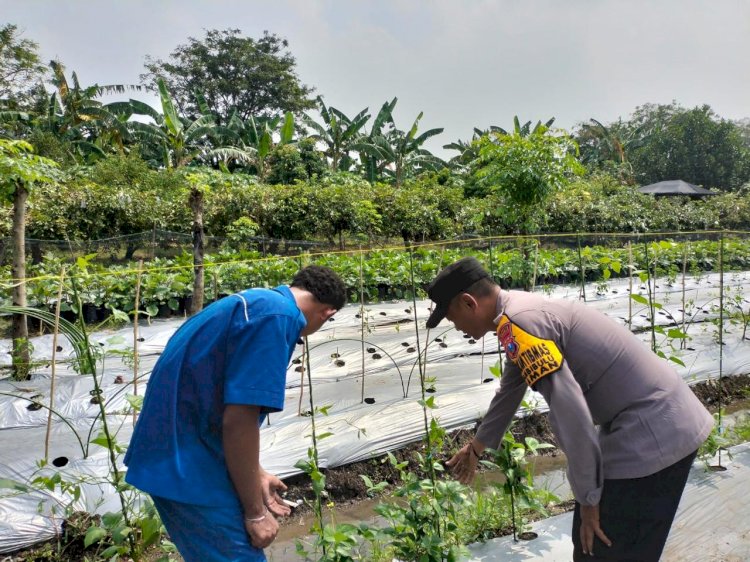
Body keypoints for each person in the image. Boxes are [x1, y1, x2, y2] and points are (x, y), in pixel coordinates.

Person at [428, 257, 713, 561]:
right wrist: (476, 447)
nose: (454, 326)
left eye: (451, 316)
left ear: (469, 302)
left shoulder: (521, 323)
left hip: (653, 429)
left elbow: (570, 413)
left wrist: (590, 499)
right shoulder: (516, 314)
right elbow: (511, 388)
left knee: (601, 549)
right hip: (658, 420)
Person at [124, 265, 347, 562]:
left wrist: (255, 473)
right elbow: (239, 420)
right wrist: (256, 513)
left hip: (176, 454)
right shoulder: (276, 318)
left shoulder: (255, 303)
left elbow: (213, 401)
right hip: (190, 466)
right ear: (328, 313)